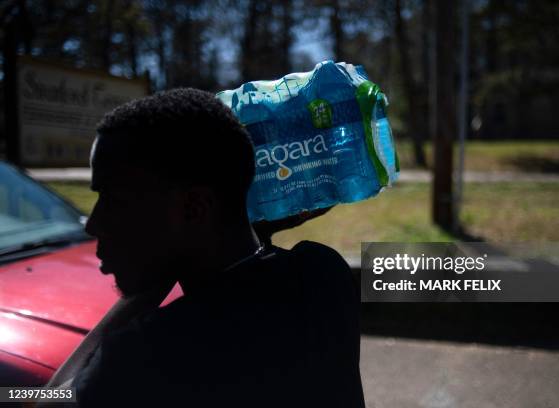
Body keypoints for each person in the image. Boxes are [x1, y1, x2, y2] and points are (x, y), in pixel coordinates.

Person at [74, 88, 365, 407]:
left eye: (114, 201)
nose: (93, 223)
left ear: (195, 208)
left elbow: (35, 399)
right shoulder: (323, 277)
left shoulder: (142, 357)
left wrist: (150, 282)